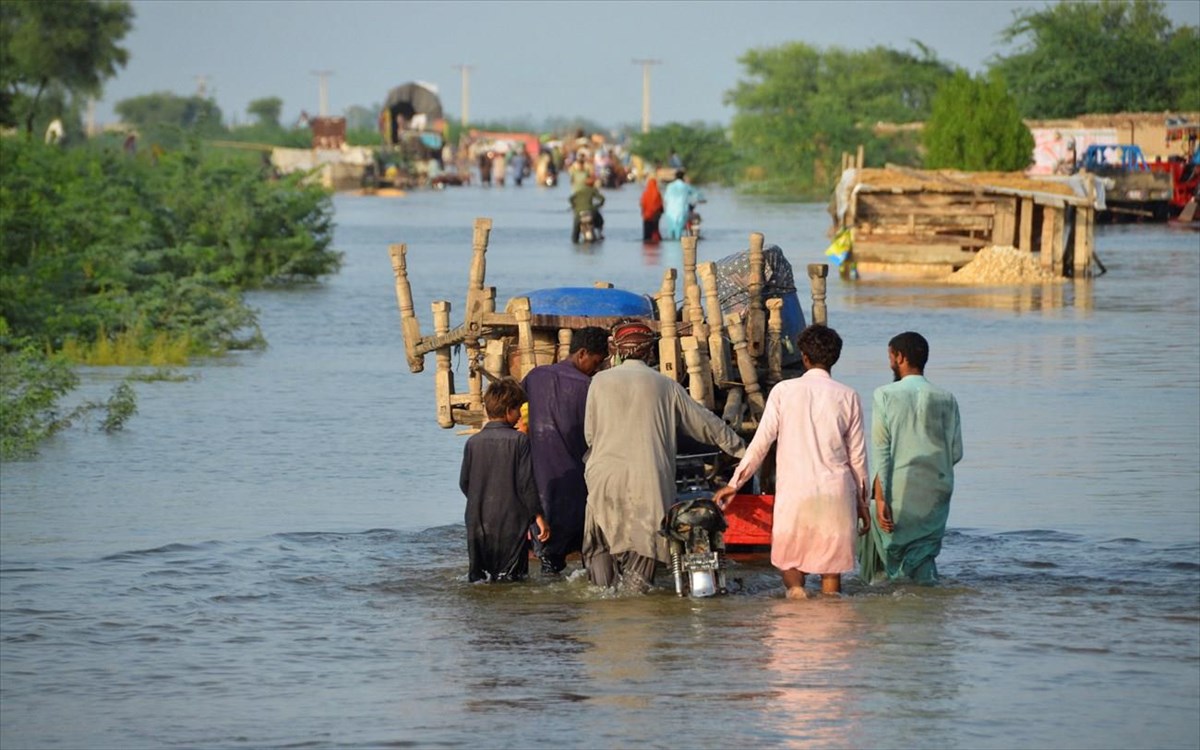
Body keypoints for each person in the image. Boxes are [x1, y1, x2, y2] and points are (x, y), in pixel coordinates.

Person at [582, 319, 745, 592]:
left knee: (600, 546)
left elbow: (590, 434)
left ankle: (603, 601)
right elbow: (707, 425)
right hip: (649, 482)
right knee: (643, 553)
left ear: (619, 351)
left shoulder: (599, 381)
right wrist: (744, 451)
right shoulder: (666, 385)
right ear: (649, 352)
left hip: (603, 478)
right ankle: (636, 606)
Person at [713, 325, 870, 598]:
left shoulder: (784, 391)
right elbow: (857, 458)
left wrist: (734, 484)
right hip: (836, 492)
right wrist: (862, 504)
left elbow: (761, 443)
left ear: (804, 357)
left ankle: (796, 604)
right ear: (835, 358)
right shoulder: (849, 396)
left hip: (796, 493)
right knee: (831, 575)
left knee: (791, 564)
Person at [858, 331, 963, 584]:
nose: (890, 362)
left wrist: (880, 498)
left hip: (898, 490)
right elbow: (956, 452)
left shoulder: (884, 394)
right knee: (924, 557)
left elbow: (882, 450)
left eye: (890, 357)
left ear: (900, 357)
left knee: (889, 561)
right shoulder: (947, 398)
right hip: (937, 490)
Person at [521, 327, 610, 575]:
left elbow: (518, 410)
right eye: (597, 361)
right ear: (582, 354)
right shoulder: (589, 387)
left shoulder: (536, 376)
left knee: (550, 560)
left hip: (541, 482)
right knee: (589, 553)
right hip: (577, 480)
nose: (597, 367)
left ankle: (552, 608)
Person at [459, 378, 550, 582]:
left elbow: (464, 483)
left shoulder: (472, 442)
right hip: (511, 523)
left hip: (477, 521)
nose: (519, 416)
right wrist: (538, 517)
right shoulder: (519, 441)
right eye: (518, 410)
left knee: (480, 580)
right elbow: (526, 483)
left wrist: (481, 500)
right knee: (512, 580)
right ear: (509, 410)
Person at [662, 170, 699, 240]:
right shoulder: (686, 186)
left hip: (670, 212)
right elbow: (697, 195)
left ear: (675, 177)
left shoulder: (669, 186)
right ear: (683, 177)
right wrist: (692, 205)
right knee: (679, 233)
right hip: (681, 212)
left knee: (671, 232)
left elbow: (665, 200)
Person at [569, 176, 606, 242]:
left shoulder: (579, 191)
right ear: (592, 184)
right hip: (590, 211)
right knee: (600, 221)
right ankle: (600, 234)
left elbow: (570, 198)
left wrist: (574, 205)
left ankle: (575, 240)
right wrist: (598, 205)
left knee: (575, 229)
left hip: (579, 212)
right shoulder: (593, 190)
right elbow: (602, 199)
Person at [640, 177, 664, 243]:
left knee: (647, 235)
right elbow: (660, 205)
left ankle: (647, 243)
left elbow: (642, 204)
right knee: (655, 231)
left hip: (646, 216)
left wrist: (643, 213)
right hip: (655, 216)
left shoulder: (645, 194)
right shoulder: (657, 193)